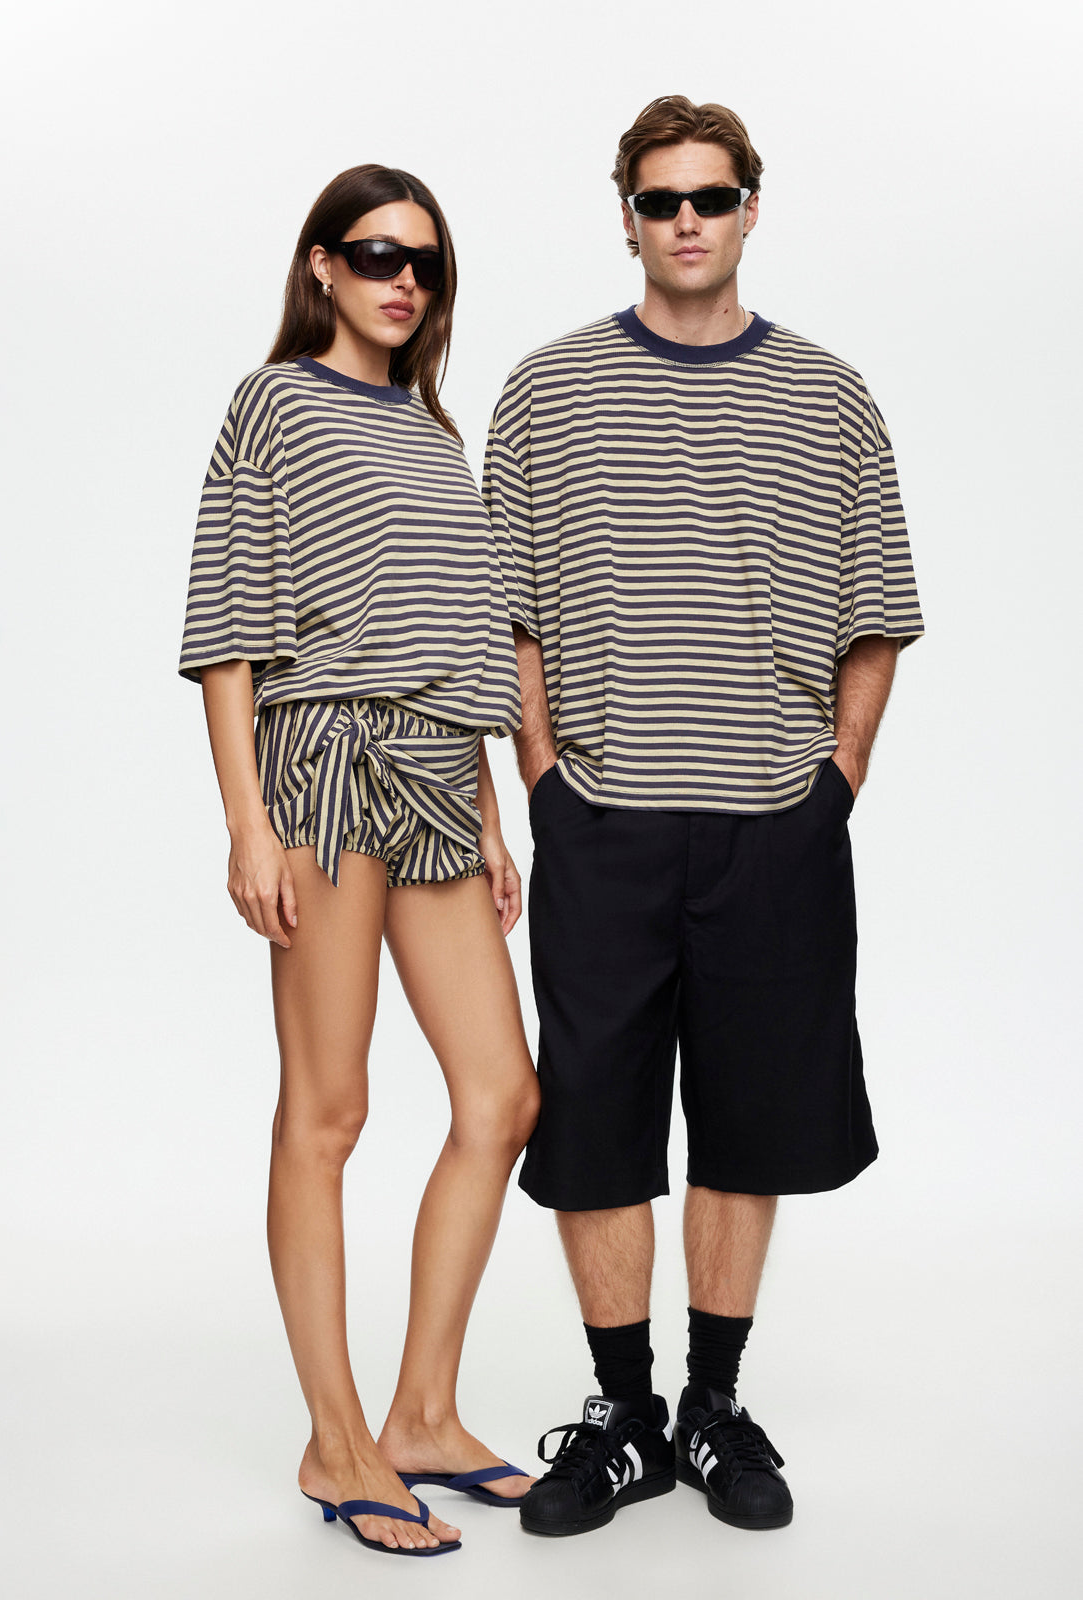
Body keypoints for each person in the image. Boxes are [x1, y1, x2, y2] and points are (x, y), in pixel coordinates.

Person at [484, 96, 924, 1537]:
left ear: (750, 210)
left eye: (711, 197)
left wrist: (834, 784)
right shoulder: (546, 390)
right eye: (662, 199)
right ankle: (623, 1417)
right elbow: (510, 614)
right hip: (602, 817)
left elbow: (878, 613)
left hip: (772, 823)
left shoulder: (832, 395)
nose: (687, 220)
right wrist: (544, 778)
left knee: (748, 1123)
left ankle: (712, 1404)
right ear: (626, 216)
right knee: (597, 1123)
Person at [178, 164, 540, 1559]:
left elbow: (467, 632)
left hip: (442, 777)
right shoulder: (272, 404)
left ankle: (422, 1416)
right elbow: (229, 629)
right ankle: (335, 1442)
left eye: (426, 263)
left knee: (502, 1097)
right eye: (379, 254)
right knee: (329, 1110)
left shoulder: (438, 433)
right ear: (321, 264)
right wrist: (247, 822)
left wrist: (491, 818)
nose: (405, 281)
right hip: (324, 764)